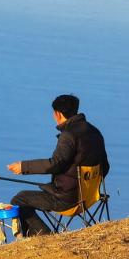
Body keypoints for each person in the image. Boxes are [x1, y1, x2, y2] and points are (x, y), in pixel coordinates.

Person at [7, 94, 109, 236]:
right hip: (90, 196)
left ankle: (44, 237)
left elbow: (55, 164)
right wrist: (87, 185)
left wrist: (23, 167)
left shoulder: (68, 135)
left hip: (69, 200)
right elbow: (105, 167)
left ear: (58, 114)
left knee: (19, 199)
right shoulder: (94, 132)